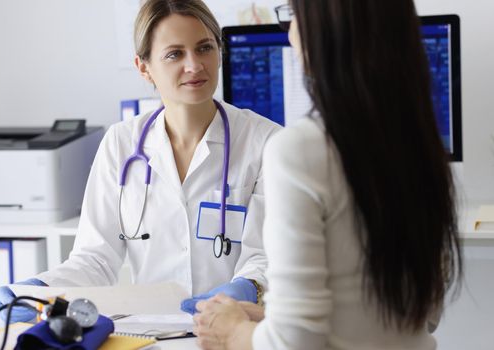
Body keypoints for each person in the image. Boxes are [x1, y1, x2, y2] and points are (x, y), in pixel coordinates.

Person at [194, 0, 463, 349]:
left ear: (322, 29)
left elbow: (295, 345)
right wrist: (274, 319)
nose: (290, 32)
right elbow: (414, 315)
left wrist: (232, 331)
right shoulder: (418, 146)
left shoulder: (298, 150)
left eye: (293, 15)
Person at [0, 0, 281, 322]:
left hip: (238, 327)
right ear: (144, 67)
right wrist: (39, 288)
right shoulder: (121, 144)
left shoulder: (266, 143)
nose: (195, 65)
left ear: (219, 51)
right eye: (175, 54)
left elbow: (268, 254)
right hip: (151, 333)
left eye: (204, 48)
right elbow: (95, 260)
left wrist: (246, 285)